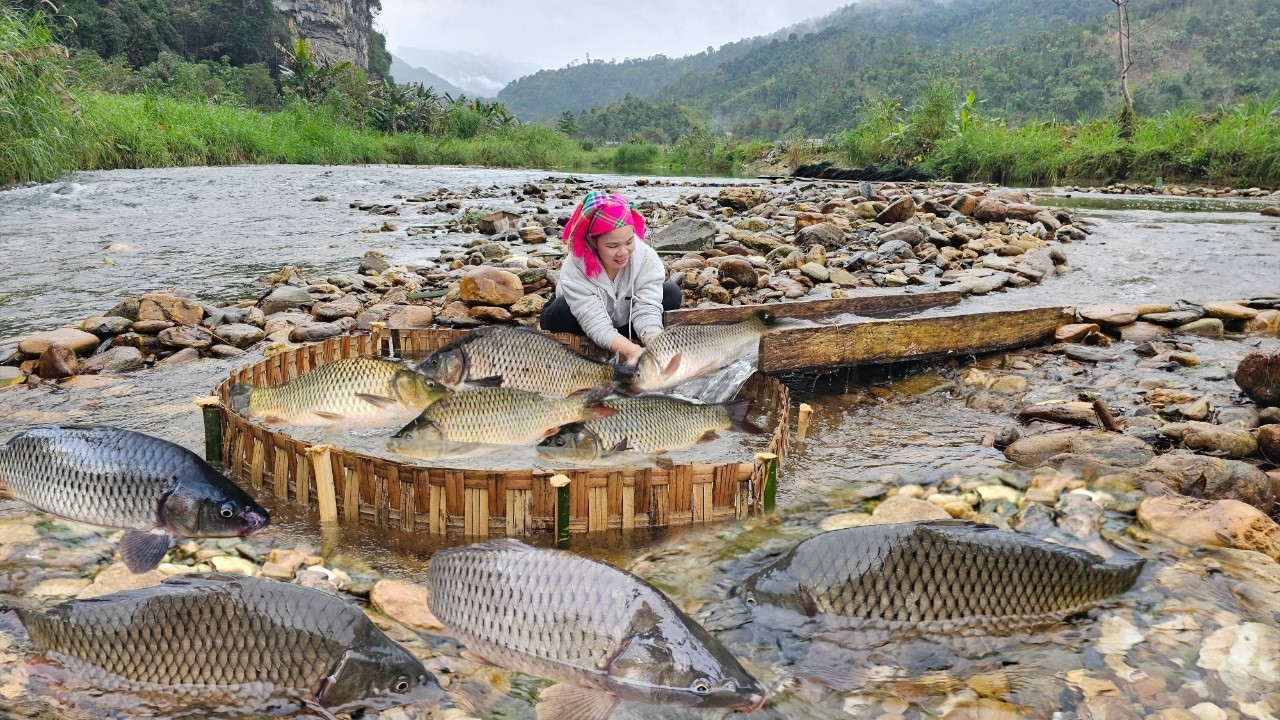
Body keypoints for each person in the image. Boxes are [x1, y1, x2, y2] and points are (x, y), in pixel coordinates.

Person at [540, 190, 682, 364]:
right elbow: (594, 322)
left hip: (623, 314)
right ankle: (615, 342)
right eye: (612, 245)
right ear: (593, 241)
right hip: (580, 318)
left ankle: (620, 338)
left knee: (671, 293)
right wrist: (634, 351)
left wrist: (654, 344)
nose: (623, 252)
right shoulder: (574, 268)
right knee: (559, 311)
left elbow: (647, 309)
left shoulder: (646, 257)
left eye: (629, 242)